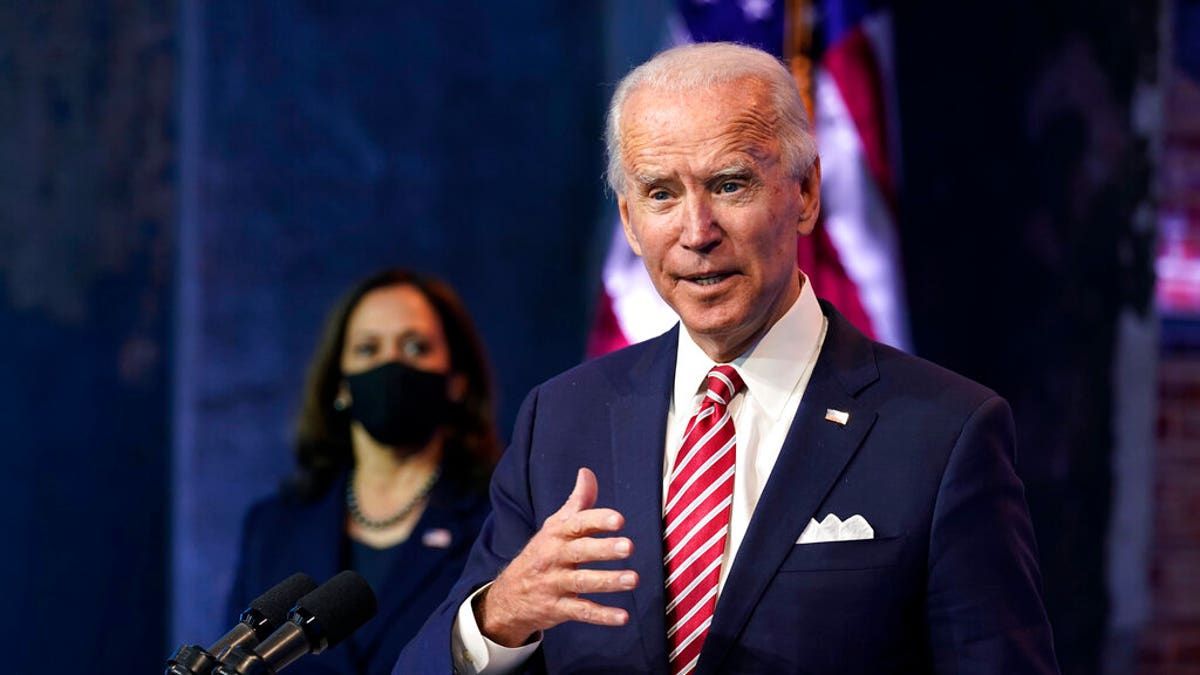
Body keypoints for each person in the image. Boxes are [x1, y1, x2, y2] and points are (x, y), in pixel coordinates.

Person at [395, 42, 1058, 674]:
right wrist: (500, 614)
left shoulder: (945, 432)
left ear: (804, 192)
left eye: (731, 184)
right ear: (629, 221)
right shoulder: (562, 420)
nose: (696, 232)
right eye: (661, 194)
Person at [228, 269, 500, 675]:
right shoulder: (273, 530)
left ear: (457, 381)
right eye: (368, 349)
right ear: (340, 385)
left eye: (415, 346)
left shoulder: (497, 526)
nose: (392, 364)